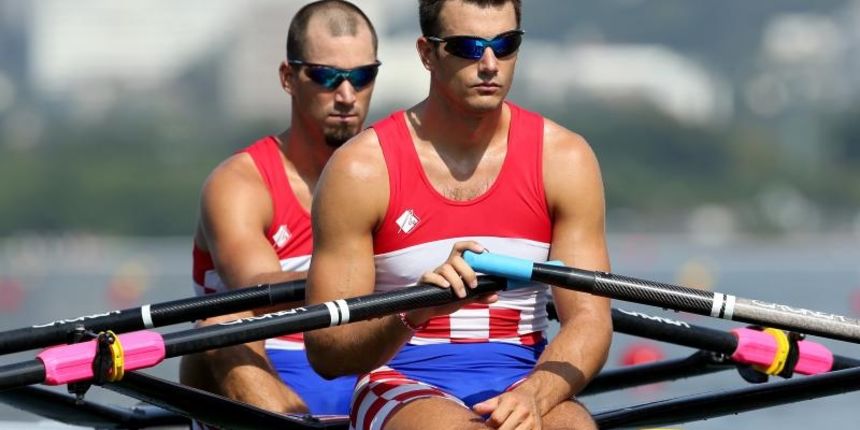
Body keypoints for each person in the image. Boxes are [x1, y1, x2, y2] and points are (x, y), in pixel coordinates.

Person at [305, 0, 612, 428]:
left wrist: (533, 396)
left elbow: (590, 320)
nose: (489, 64)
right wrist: (415, 310)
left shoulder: (564, 159)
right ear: (427, 53)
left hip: (525, 376)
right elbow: (328, 351)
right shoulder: (362, 170)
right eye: (468, 47)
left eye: (505, 45)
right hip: (401, 380)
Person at [178, 0, 380, 417]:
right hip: (258, 375)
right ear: (289, 78)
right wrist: (372, 278)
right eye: (326, 76)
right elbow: (254, 289)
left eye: (362, 77)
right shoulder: (239, 184)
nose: (346, 95)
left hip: (369, 370)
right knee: (221, 326)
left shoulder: (390, 173)